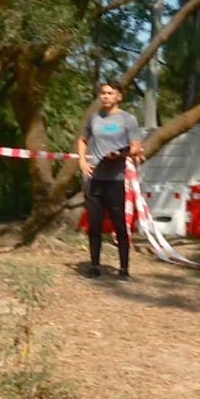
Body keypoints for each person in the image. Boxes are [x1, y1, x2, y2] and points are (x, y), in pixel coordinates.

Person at [77, 80, 143, 281]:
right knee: (94, 224)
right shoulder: (94, 118)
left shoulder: (128, 119)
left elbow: (135, 147)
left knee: (119, 224)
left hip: (115, 179)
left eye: (110, 93)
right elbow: (82, 139)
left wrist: (120, 154)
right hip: (94, 178)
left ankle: (124, 269)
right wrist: (82, 160)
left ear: (119, 96)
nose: (105, 96)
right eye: (103, 93)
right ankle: (94, 266)